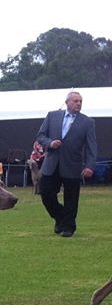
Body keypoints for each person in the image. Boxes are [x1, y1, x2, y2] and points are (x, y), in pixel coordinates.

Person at [35, 91, 96, 237]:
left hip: (73, 164)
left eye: (80, 101)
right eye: (76, 101)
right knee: (46, 193)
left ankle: (68, 227)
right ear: (67, 102)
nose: (79, 104)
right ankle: (60, 217)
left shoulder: (87, 122)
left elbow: (91, 146)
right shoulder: (52, 116)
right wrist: (50, 143)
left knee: (71, 198)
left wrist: (90, 165)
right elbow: (40, 136)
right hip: (52, 164)